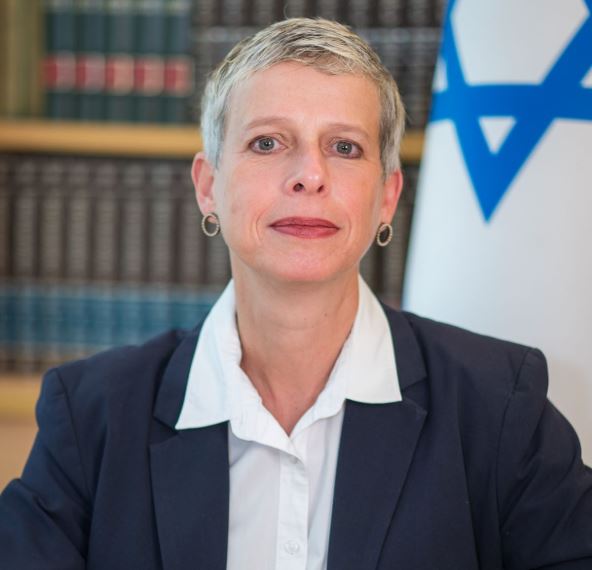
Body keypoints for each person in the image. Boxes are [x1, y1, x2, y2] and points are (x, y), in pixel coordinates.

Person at [1, 17, 591, 570]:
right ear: (208, 186)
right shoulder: (91, 415)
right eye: (268, 143)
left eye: (344, 147)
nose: (309, 175)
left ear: (386, 198)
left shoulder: (499, 405)